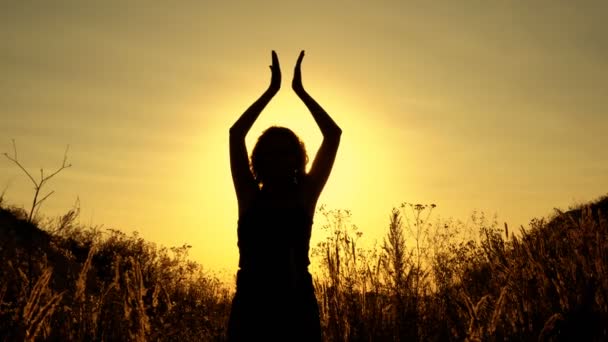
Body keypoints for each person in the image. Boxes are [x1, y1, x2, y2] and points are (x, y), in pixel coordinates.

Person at [227, 50, 341, 341]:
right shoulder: (249, 195)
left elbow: (333, 134)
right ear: (260, 160)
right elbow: (236, 133)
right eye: (271, 153)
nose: (278, 159)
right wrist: (271, 91)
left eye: (285, 152)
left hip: (297, 305)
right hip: (252, 307)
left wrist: (300, 91)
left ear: (296, 159)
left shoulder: (305, 195)